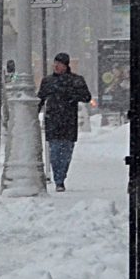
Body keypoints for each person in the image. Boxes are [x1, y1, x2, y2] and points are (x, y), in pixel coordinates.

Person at [37, 52, 95, 193]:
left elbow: (87, 97)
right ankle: (59, 179)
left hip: (69, 120)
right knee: (55, 151)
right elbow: (41, 98)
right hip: (53, 120)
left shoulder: (76, 80)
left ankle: (61, 177)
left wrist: (71, 96)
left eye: (60, 64)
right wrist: (33, 113)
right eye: (55, 63)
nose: (56, 66)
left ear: (66, 65)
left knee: (66, 151)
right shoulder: (48, 81)